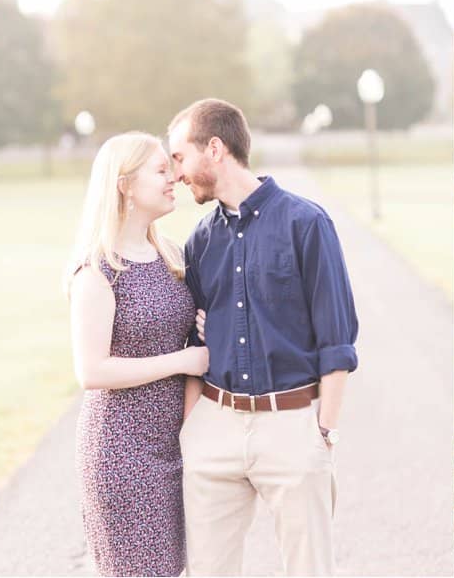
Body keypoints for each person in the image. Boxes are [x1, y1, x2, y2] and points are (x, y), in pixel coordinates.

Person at [168, 98, 359, 576]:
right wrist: (194, 429)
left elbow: (337, 339)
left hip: (291, 427)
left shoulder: (306, 223)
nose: (176, 173)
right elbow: (194, 341)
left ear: (214, 148)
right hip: (215, 425)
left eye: (179, 157)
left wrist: (324, 433)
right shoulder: (200, 241)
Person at [67, 132, 209, 577]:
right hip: (120, 452)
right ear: (125, 184)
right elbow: (91, 370)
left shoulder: (171, 255)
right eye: (161, 170)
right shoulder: (98, 269)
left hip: (173, 446)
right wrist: (183, 360)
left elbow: (190, 333)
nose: (175, 179)